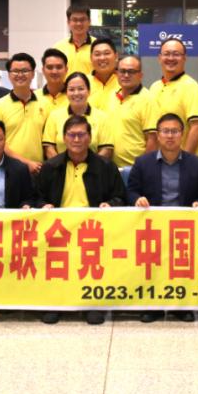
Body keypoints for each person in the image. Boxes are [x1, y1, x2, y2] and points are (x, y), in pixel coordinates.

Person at [36, 115, 127, 325]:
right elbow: (36, 197)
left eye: (81, 135)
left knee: (90, 266)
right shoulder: (50, 166)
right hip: (59, 229)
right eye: (72, 135)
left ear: (90, 138)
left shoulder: (106, 167)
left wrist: (110, 204)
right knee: (57, 266)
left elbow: (121, 197)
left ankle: (91, 304)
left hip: (92, 229)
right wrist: (43, 206)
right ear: (64, 138)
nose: (76, 139)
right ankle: (56, 304)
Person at [128, 113, 198, 324]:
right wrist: (137, 199)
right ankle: (153, 306)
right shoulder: (143, 162)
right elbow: (130, 191)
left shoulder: (197, 164)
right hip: (153, 226)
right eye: (165, 131)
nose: (170, 136)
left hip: (183, 226)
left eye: (174, 131)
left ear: (182, 134)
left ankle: (181, 306)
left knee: (181, 266)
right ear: (157, 135)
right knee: (153, 266)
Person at [0, 53, 50, 175]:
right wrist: (26, 163)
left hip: (39, 170)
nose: (20, 75)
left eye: (25, 71)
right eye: (15, 71)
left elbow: (48, 141)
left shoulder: (45, 104)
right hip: (8, 170)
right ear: (9, 75)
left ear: (33, 74)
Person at [149, 38, 198, 154]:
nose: (171, 58)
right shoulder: (154, 87)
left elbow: (197, 127)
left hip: (179, 160)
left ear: (184, 58)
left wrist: (184, 161)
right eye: (166, 54)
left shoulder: (191, 87)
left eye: (176, 54)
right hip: (158, 159)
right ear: (159, 58)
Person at [43, 71, 113, 160]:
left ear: (89, 91)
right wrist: (60, 166)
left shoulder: (102, 117)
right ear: (66, 93)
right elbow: (49, 148)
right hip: (60, 168)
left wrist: (91, 166)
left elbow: (106, 149)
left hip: (94, 168)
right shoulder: (54, 116)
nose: (76, 93)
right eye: (71, 89)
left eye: (81, 89)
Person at [107, 54, 159, 167]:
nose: (126, 75)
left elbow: (153, 139)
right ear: (116, 73)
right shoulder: (112, 96)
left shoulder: (148, 100)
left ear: (140, 75)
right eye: (122, 71)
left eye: (131, 72)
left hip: (135, 168)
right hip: (112, 167)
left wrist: (143, 168)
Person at [53, 4, 95, 75]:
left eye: (82, 20)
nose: (79, 23)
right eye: (75, 20)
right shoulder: (58, 48)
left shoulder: (98, 46)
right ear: (68, 22)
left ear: (89, 21)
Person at [87, 38, 120, 111]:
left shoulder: (125, 83)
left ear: (116, 56)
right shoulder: (83, 83)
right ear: (91, 58)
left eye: (107, 53)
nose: (102, 58)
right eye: (97, 54)